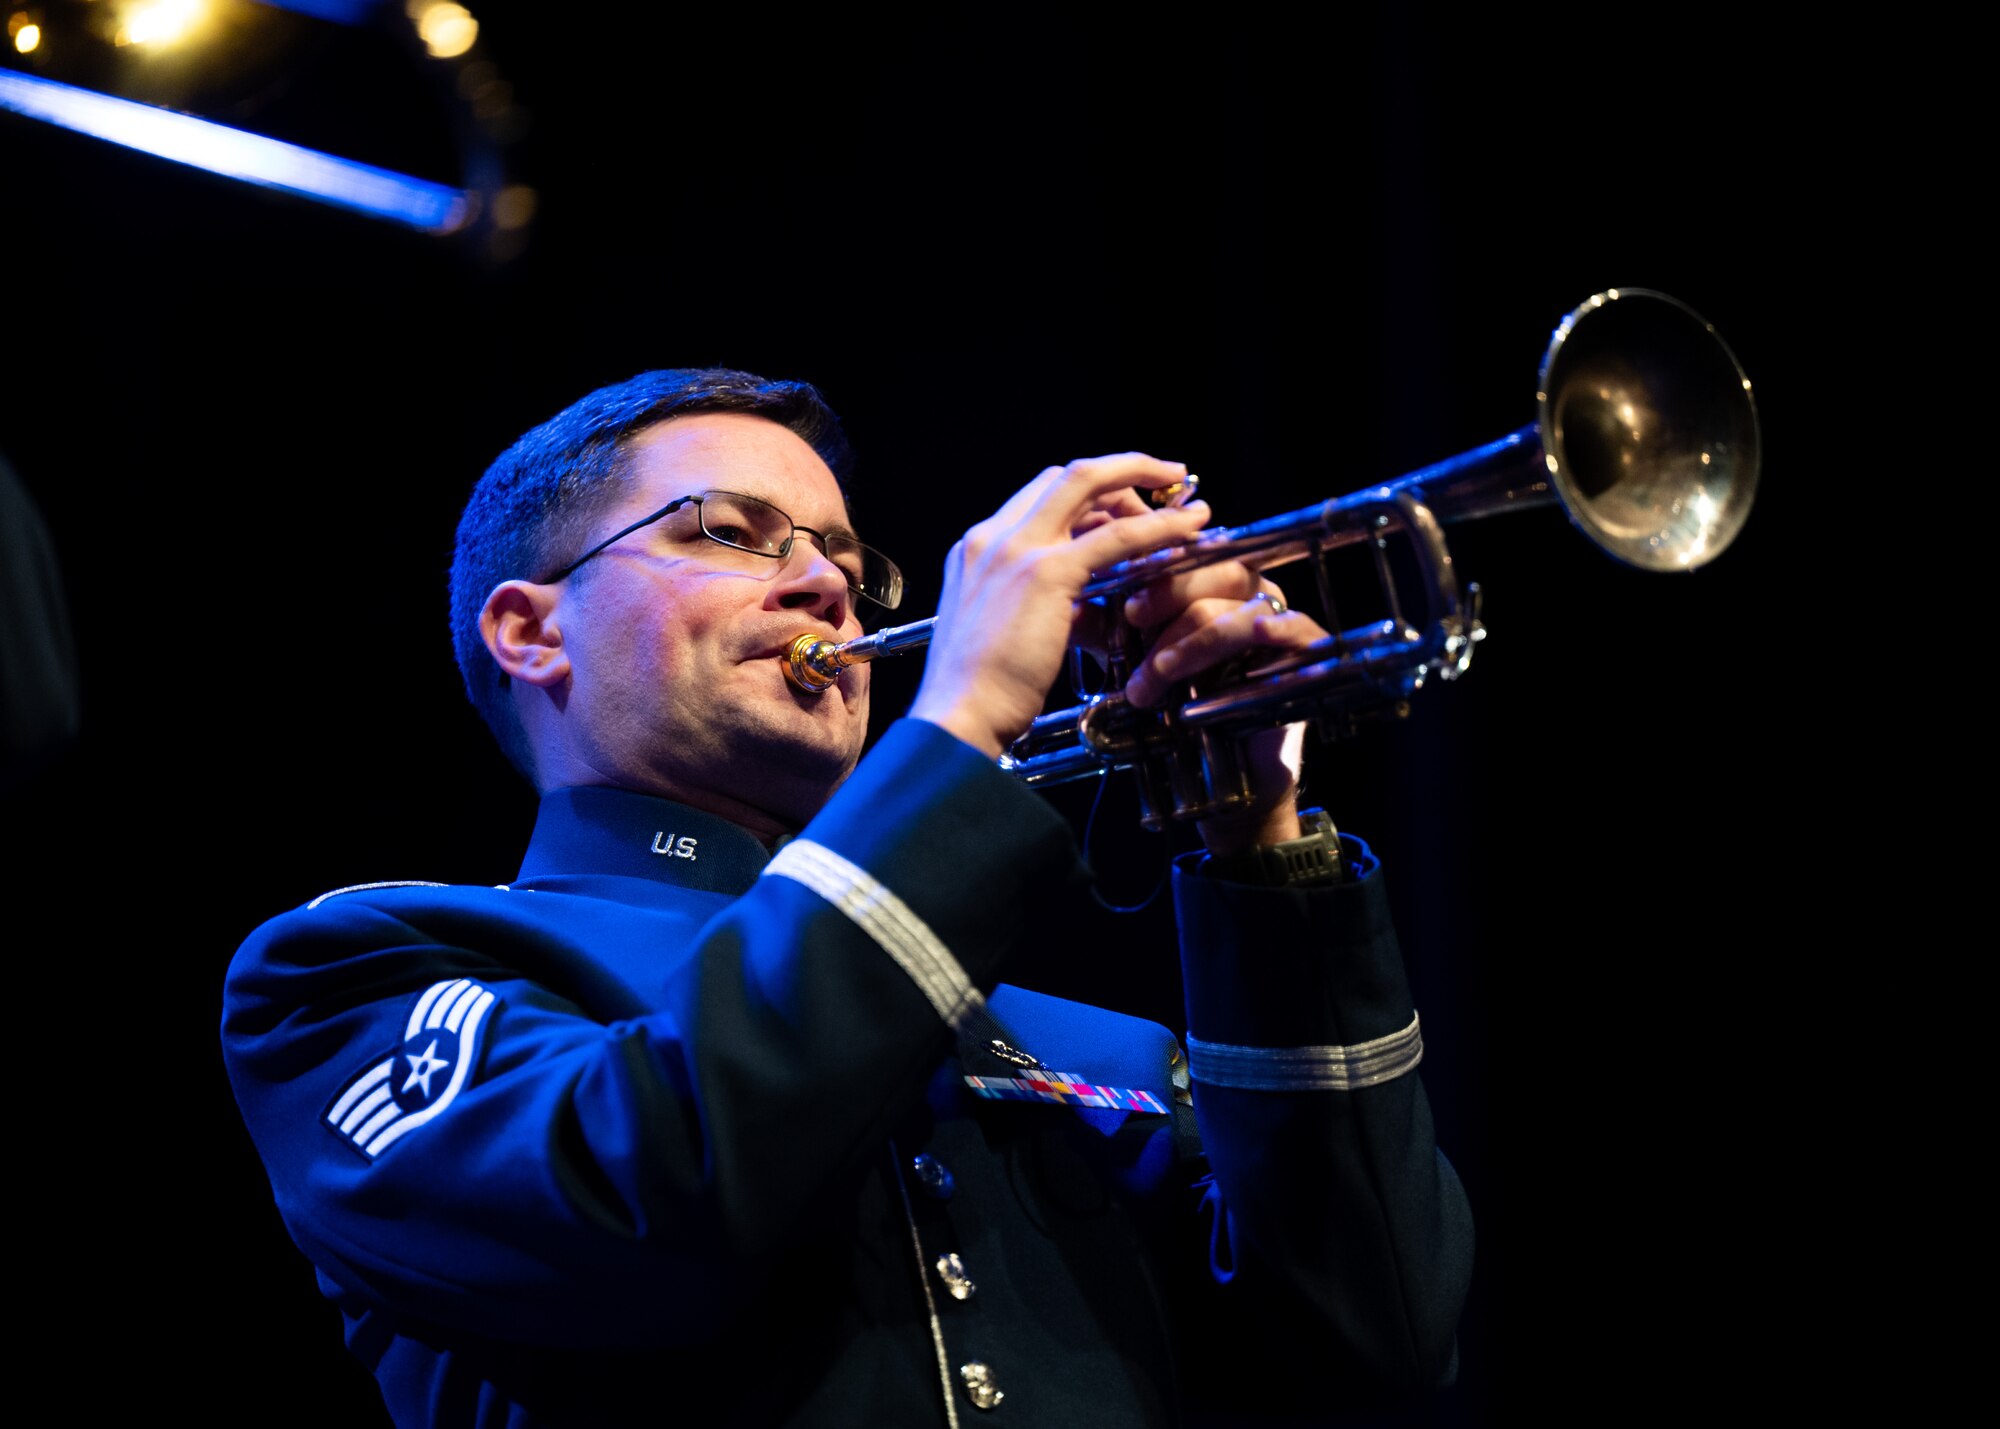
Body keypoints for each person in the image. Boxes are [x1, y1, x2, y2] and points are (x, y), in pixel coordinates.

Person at [220, 367, 1474, 1428]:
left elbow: (1374, 1362)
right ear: (528, 631)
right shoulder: (361, 975)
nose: (825, 584)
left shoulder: (1108, 1051)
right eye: (726, 530)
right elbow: (642, 1208)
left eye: (837, 551)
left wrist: (1261, 845)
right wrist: (964, 720)